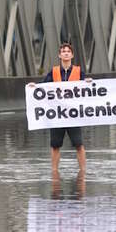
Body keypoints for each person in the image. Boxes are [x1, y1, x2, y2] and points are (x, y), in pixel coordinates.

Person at [41, 42, 86, 173]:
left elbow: (89, 92)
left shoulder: (78, 72)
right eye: (63, 51)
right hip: (57, 115)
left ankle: (83, 171)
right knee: (55, 145)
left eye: (68, 51)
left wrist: (88, 82)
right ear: (59, 55)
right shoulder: (53, 72)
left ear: (72, 55)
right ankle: (54, 172)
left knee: (79, 144)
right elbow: (43, 88)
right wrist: (34, 87)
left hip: (73, 115)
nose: (66, 53)